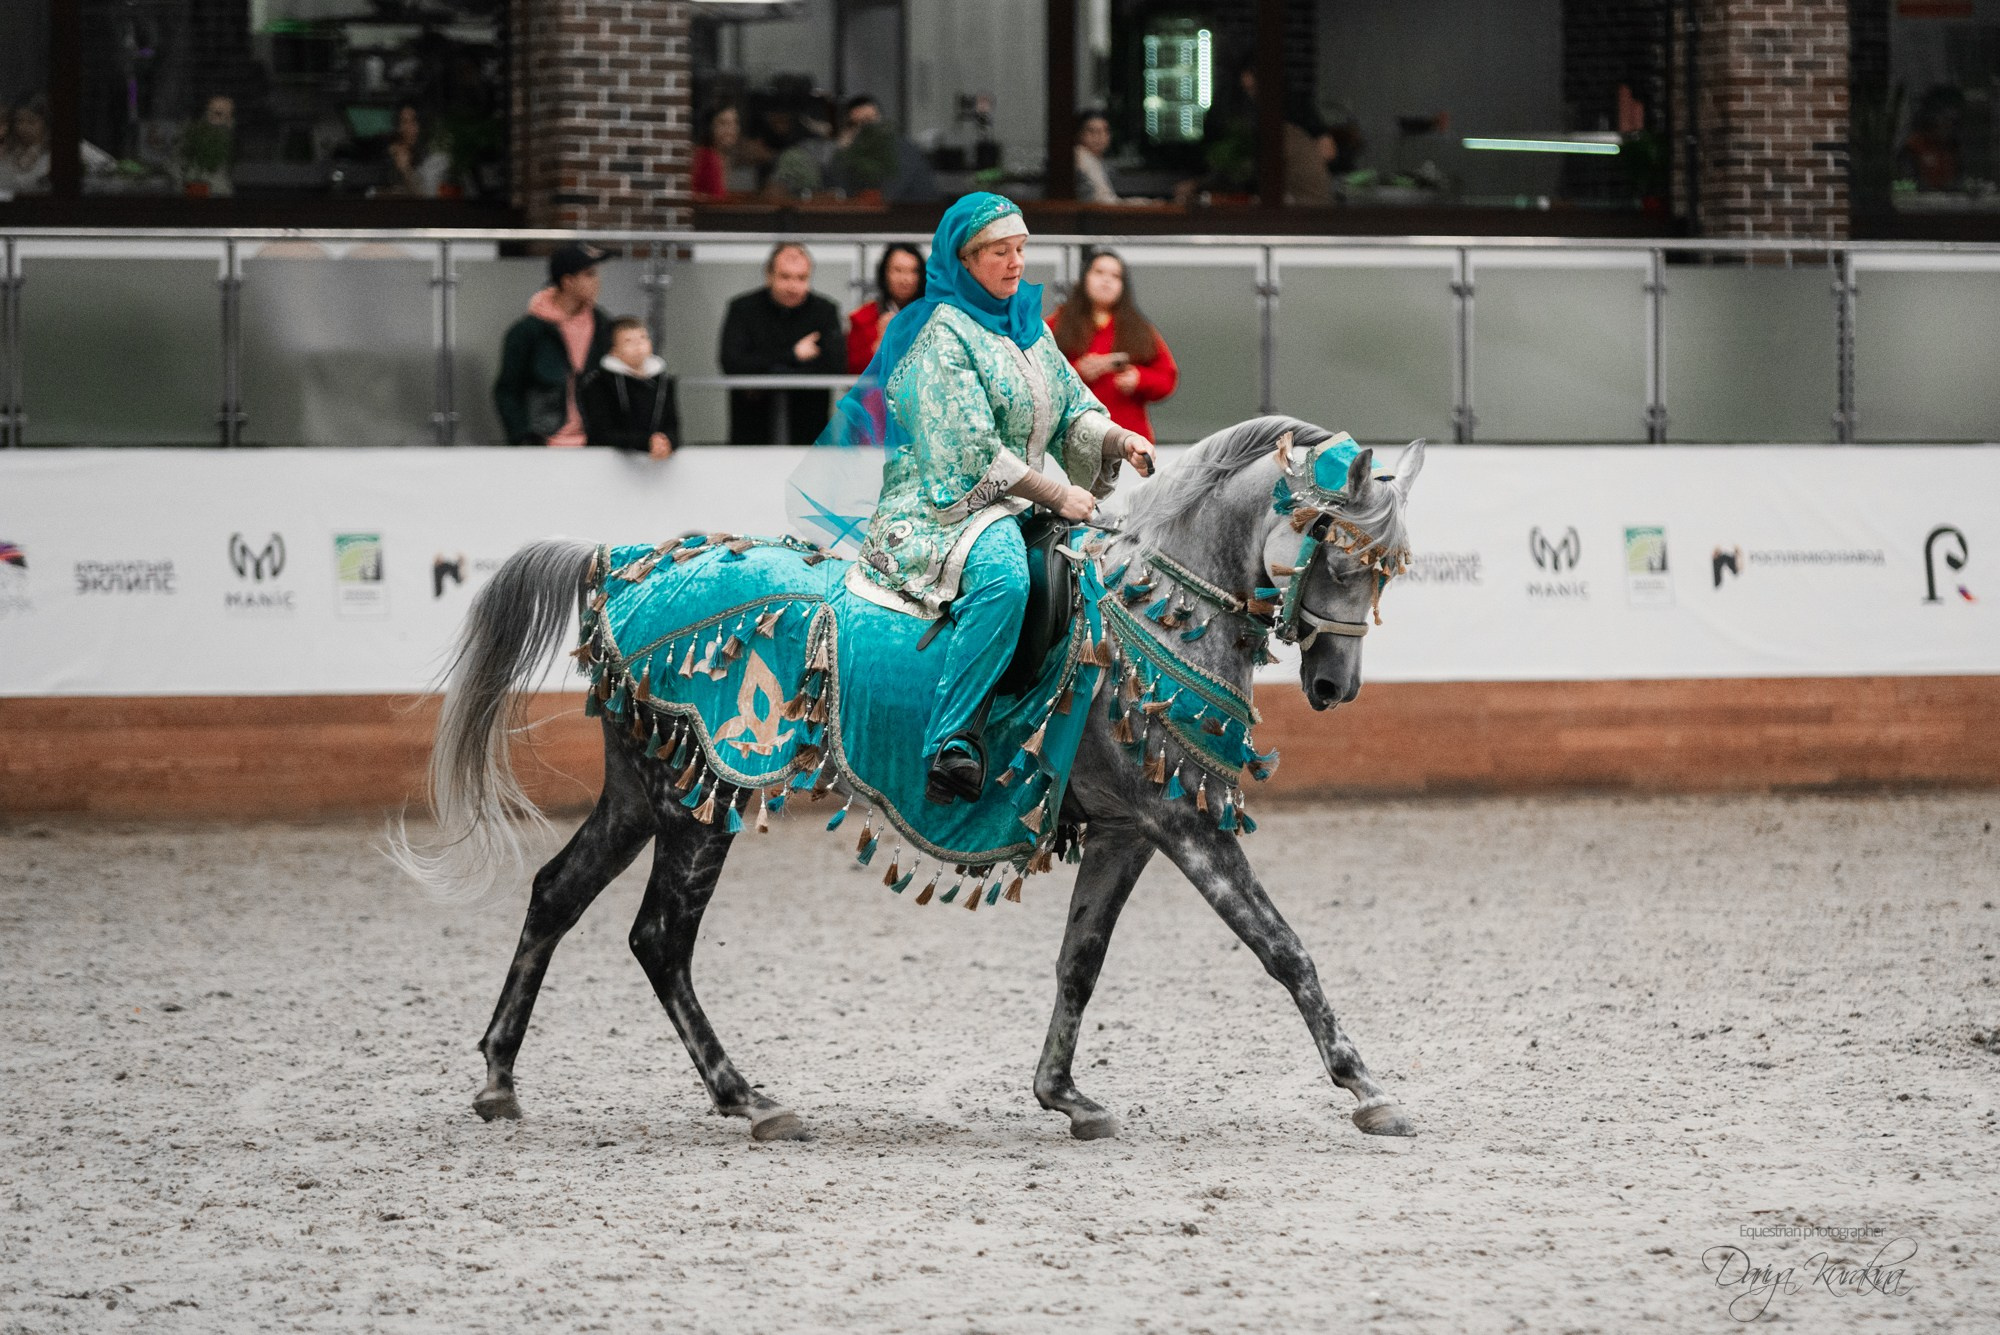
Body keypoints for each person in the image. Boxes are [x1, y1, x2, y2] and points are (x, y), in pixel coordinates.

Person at [822, 192, 1156, 803]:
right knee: (1004, 576)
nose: (1016, 263)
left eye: (1021, 249)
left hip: (1019, 495)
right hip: (942, 502)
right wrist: (1059, 492)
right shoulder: (936, 332)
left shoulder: (1027, 326)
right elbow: (968, 452)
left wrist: (1117, 437)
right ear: (966, 259)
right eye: (1001, 252)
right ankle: (955, 741)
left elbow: (1071, 410)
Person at [718, 243, 845, 444]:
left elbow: (835, 366)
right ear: (769, 276)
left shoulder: (824, 311)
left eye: (802, 278)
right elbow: (731, 363)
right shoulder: (743, 309)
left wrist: (767, 367)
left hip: (809, 429)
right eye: (785, 277)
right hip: (752, 430)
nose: (793, 286)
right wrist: (793, 355)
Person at [1048, 249, 1178, 444]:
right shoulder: (1057, 324)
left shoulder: (1139, 328)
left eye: (1115, 276)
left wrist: (1139, 379)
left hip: (1129, 441)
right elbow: (1035, 376)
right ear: (1084, 278)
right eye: (1099, 272)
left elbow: (1167, 378)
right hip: (1071, 440)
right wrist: (1076, 372)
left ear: (1123, 286)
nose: (1106, 280)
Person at [493, 241, 617, 447]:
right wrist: (523, 436)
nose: (597, 281)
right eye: (589, 274)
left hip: (595, 444)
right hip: (545, 442)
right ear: (568, 281)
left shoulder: (602, 324)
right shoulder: (528, 331)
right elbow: (507, 390)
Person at [580, 317, 679, 458]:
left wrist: (666, 441)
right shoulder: (598, 383)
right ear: (613, 350)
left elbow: (672, 426)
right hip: (606, 462)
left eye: (643, 338)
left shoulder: (663, 382)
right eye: (628, 341)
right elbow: (602, 432)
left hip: (655, 461)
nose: (638, 345)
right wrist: (645, 442)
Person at [845, 242, 926, 373]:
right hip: (877, 392)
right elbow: (853, 372)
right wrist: (879, 344)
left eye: (913, 271)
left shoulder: (932, 315)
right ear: (884, 274)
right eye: (898, 270)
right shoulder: (861, 318)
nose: (906, 279)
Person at [386, 103, 449, 197]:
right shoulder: (404, 152)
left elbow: (427, 198)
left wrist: (406, 169)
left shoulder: (438, 157)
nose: (406, 129)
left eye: (413, 122)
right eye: (403, 122)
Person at [692, 104, 743, 199]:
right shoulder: (707, 157)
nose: (731, 130)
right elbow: (716, 202)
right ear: (709, 127)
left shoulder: (720, 157)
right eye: (723, 123)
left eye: (734, 123)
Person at [1073, 110, 1124, 204]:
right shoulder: (1080, 155)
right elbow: (1102, 202)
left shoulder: (1095, 159)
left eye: (1104, 131)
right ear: (1079, 134)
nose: (1099, 136)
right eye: (1092, 131)